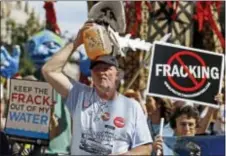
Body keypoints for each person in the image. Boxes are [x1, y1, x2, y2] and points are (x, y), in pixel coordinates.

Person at [41, 22, 152, 155]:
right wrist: (76, 43)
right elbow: (49, 70)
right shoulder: (79, 95)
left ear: (118, 74)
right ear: (91, 75)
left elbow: (146, 147)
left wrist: (127, 155)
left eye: (107, 68)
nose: (102, 72)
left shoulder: (132, 107)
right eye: (97, 69)